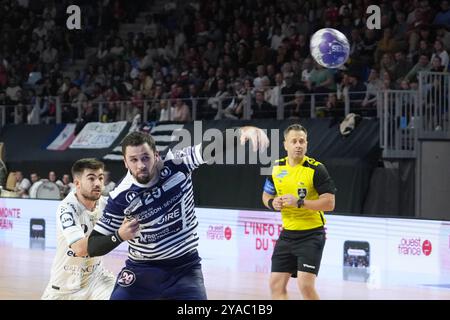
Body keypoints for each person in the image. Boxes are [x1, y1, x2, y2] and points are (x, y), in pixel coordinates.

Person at [87, 126, 269, 300]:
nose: (141, 165)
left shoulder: (177, 163)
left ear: (156, 155)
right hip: (142, 270)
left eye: (145, 158)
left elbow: (210, 147)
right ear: (125, 162)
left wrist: (242, 132)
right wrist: (119, 235)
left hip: (185, 267)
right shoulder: (121, 196)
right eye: (133, 160)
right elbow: (93, 245)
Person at [261, 124, 336, 300]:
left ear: (307, 144)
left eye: (302, 141)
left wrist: (299, 202)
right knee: (275, 285)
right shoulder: (276, 168)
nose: (298, 145)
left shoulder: (316, 169)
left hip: (312, 235)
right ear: (285, 144)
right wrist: (273, 203)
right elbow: (265, 196)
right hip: (287, 234)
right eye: (293, 141)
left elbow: (329, 203)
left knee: (305, 285)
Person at [41, 158, 116, 300]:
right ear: (77, 183)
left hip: (96, 279)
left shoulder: (106, 204)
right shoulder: (67, 208)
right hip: (64, 287)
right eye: (91, 178)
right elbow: (80, 249)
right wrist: (118, 235)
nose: (98, 183)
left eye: (100, 178)